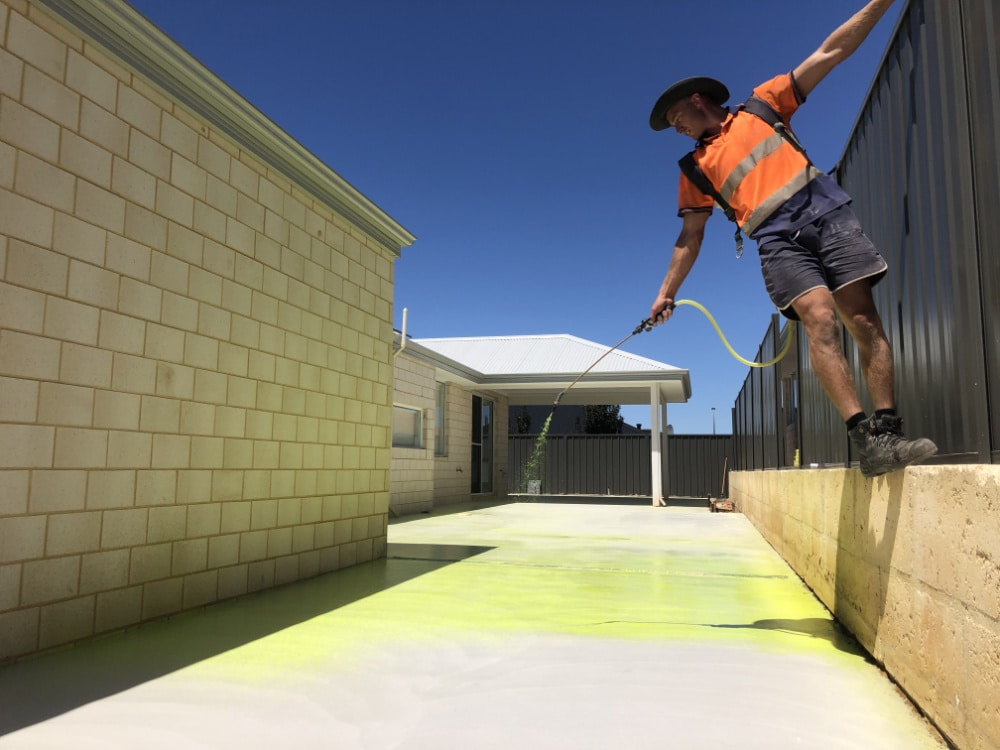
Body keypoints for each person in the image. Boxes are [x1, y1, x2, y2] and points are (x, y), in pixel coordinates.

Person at [647, 0, 936, 478]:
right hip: (776, 240)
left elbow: (830, 51)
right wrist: (666, 293)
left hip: (826, 212)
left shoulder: (763, 104)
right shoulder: (692, 169)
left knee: (863, 320)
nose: (675, 128)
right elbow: (689, 237)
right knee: (820, 320)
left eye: (676, 116)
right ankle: (865, 442)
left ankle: (889, 431)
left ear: (698, 99)